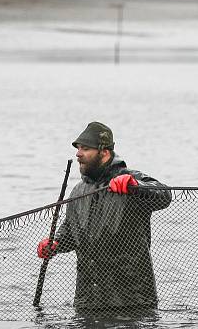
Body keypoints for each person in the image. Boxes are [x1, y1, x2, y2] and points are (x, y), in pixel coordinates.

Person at [36, 122, 171, 312]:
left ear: (105, 153)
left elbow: (164, 196)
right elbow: (71, 231)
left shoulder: (130, 180)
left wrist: (136, 186)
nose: (78, 154)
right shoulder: (78, 190)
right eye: (78, 148)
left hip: (133, 302)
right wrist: (55, 244)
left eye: (86, 148)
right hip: (87, 302)